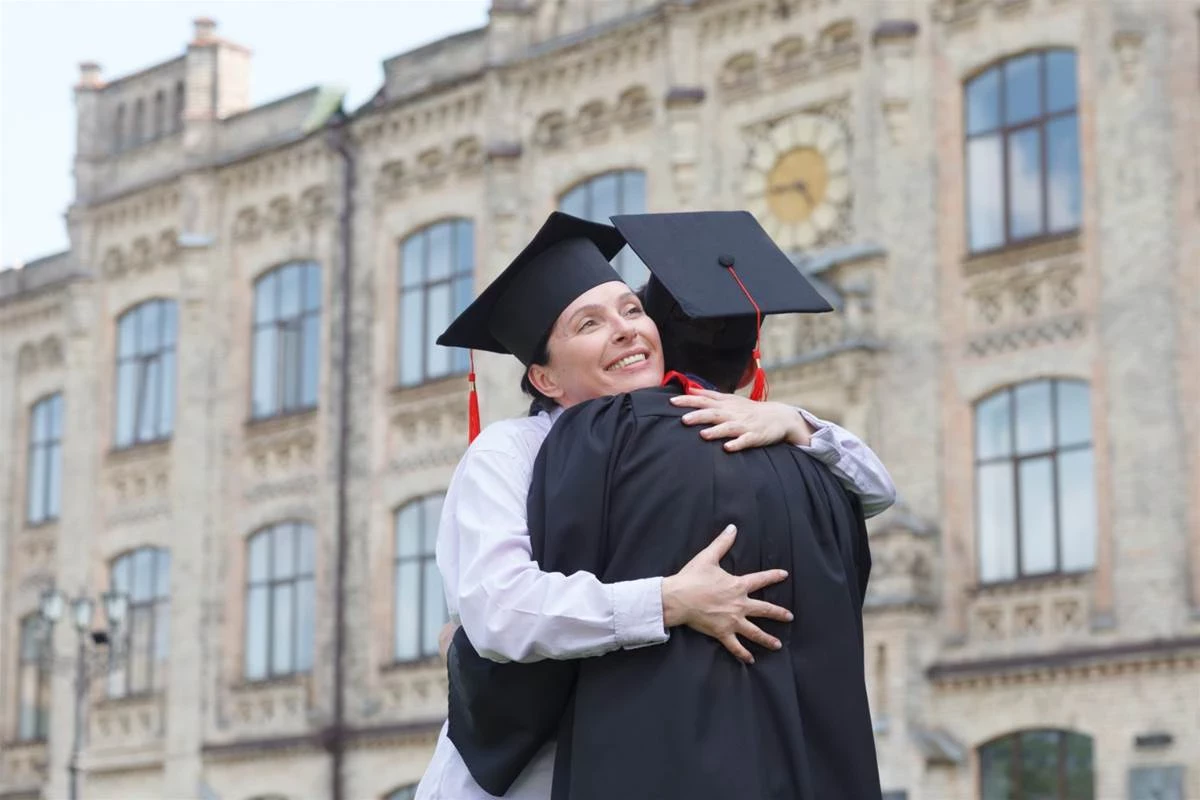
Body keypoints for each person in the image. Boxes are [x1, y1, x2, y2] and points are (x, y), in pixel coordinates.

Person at [416, 211, 894, 800]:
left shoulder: (693, 427)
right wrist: (668, 600)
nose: (624, 330)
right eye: (589, 323)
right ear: (544, 377)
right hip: (526, 775)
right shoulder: (511, 452)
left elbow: (875, 491)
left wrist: (795, 422)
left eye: (632, 310)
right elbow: (499, 610)